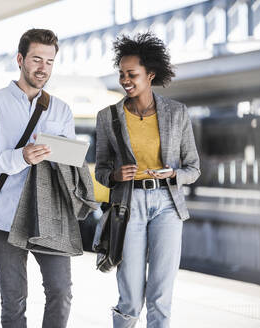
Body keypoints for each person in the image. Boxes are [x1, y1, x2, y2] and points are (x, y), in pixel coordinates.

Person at [95, 32, 200, 328]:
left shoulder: (177, 113)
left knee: (160, 294)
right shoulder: (108, 117)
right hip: (128, 206)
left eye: (132, 74)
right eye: (122, 74)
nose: (125, 80)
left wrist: (174, 175)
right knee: (129, 294)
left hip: (168, 204)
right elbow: (101, 169)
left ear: (150, 74)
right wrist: (114, 175)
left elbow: (194, 168)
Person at [0, 29, 76, 328]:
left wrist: (66, 159)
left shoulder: (62, 109)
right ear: (21, 59)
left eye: (50, 61)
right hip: (5, 216)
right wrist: (22, 156)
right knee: (14, 300)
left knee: (61, 291)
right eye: (36, 59)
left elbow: (69, 161)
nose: (43, 67)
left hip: (51, 216)